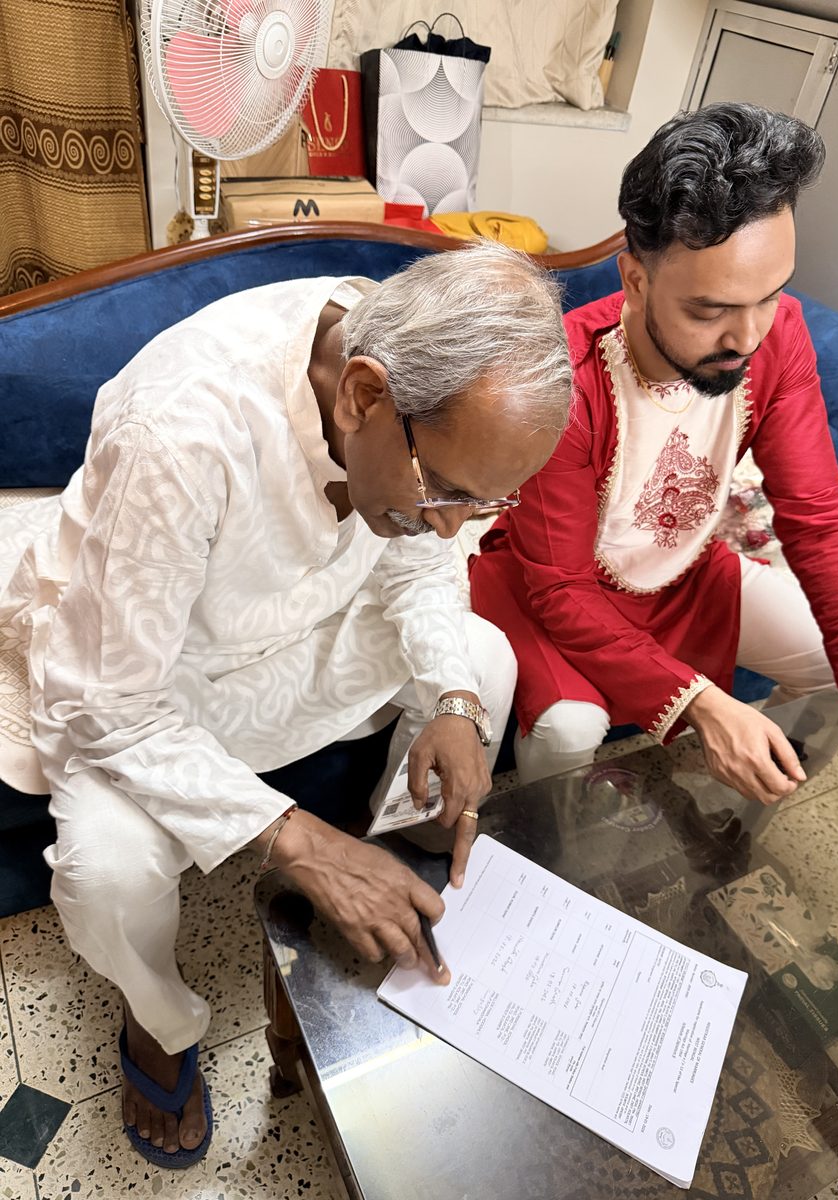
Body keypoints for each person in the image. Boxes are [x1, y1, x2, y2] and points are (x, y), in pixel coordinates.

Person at [0, 242, 572, 1166]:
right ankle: (162, 1021)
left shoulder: (414, 364)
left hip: (301, 632)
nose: (455, 522)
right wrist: (304, 845)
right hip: (153, 675)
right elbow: (110, 702)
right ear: (360, 397)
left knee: (484, 661)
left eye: (486, 501)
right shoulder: (184, 428)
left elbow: (423, 557)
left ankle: (406, 831)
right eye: (444, 490)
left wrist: (455, 703)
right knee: (106, 874)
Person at [470, 102, 838, 811]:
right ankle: (550, 866)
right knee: (566, 731)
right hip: (554, 586)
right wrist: (698, 704)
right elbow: (560, 588)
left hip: (683, 570)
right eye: (710, 311)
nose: (749, 335)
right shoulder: (565, 380)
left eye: (771, 295)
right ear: (634, 280)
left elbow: (820, 516)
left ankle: (734, 818)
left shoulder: (778, 335)